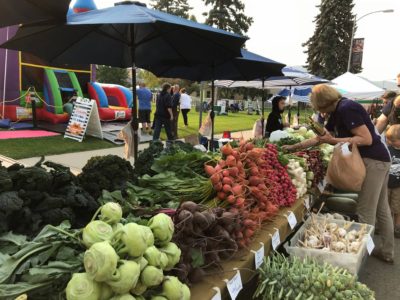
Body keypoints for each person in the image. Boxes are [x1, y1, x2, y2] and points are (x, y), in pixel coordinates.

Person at [283, 84, 394, 263]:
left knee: (366, 210)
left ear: (324, 103)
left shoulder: (347, 108)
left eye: (320, 108)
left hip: (374, 162)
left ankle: (360, 257)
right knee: (381, 208)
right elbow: (322, 138)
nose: (322, 113)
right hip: (379, 160)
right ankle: (387, 252)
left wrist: (333, 140)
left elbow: (365, 139)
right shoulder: (337, 111)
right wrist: (294, 147)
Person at [385, 125, 400, 238]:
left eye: (393, 140)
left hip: (398, 186)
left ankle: (397, 226)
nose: (390, 142)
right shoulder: (388, 149)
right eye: (389, 139)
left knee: (397, 207)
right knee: (386, 206)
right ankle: (387, 226)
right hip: (387, 184)